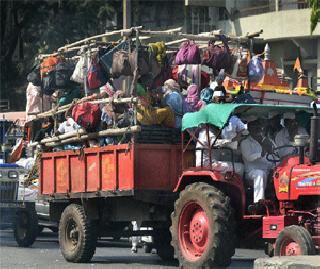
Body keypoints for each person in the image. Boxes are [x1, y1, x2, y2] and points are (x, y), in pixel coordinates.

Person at [240, 119, 273, 205]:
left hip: (268, 170)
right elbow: (249, 157)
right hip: (252, 172)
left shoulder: (267, 140)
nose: (258, 129)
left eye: (259, 127)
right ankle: (259, 203)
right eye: (254, 127)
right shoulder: (245, 142)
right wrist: (262, 153)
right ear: (250, 129)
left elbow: (276, 154)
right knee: (260, 174)